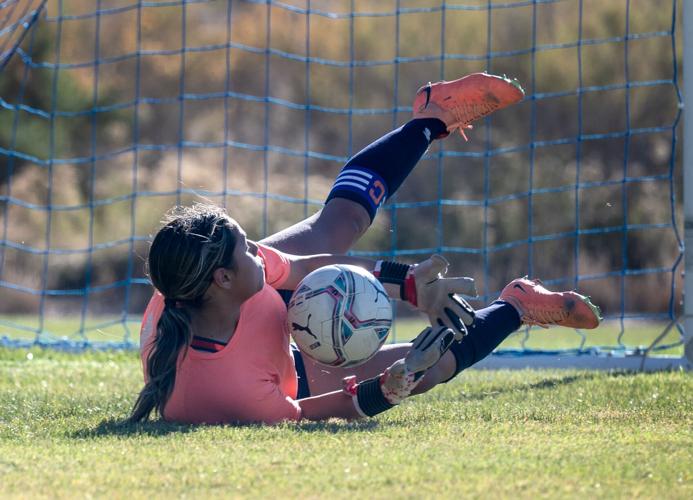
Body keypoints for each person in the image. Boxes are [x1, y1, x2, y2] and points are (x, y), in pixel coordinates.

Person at [129, 73, 602, 425]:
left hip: (252, 314)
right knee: (433, 364)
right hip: (280, 374)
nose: (257, 249)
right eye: (245, 249)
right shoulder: (237, 392)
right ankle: (516, 305)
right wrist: (389, 388)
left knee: (339, 227)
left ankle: (432, 116)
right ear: (223, 278)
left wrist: (408, 283)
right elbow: (320, 412)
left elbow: (312, 264)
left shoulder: (217, 275)